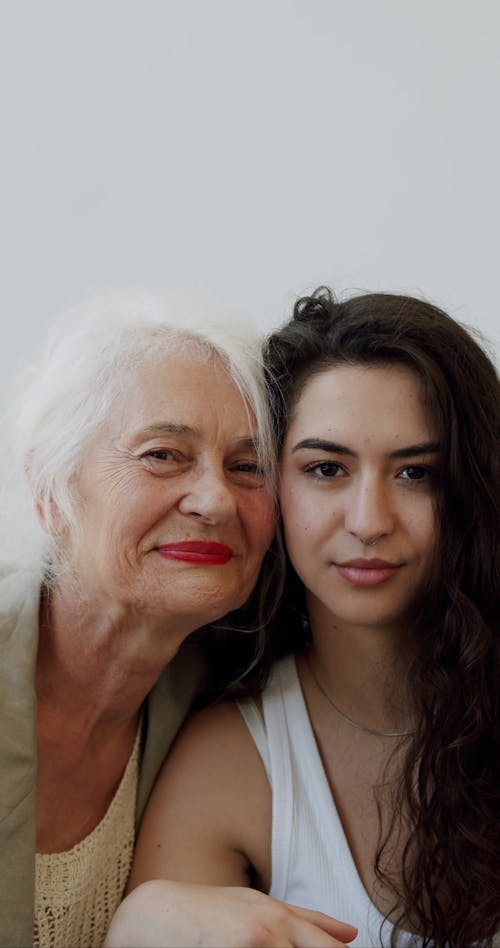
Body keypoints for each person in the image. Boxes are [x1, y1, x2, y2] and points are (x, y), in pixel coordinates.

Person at [108, 288, 500, 948]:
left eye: (415, 474)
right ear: (267, 487)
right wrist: (140, 926)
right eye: (326, 468)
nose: (370, 521)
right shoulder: (230, 764)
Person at [1, 289, 355, 948]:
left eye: (248, 467)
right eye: (163, 454)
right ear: (52, 491)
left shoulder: (231, 695)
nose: (216, 499)